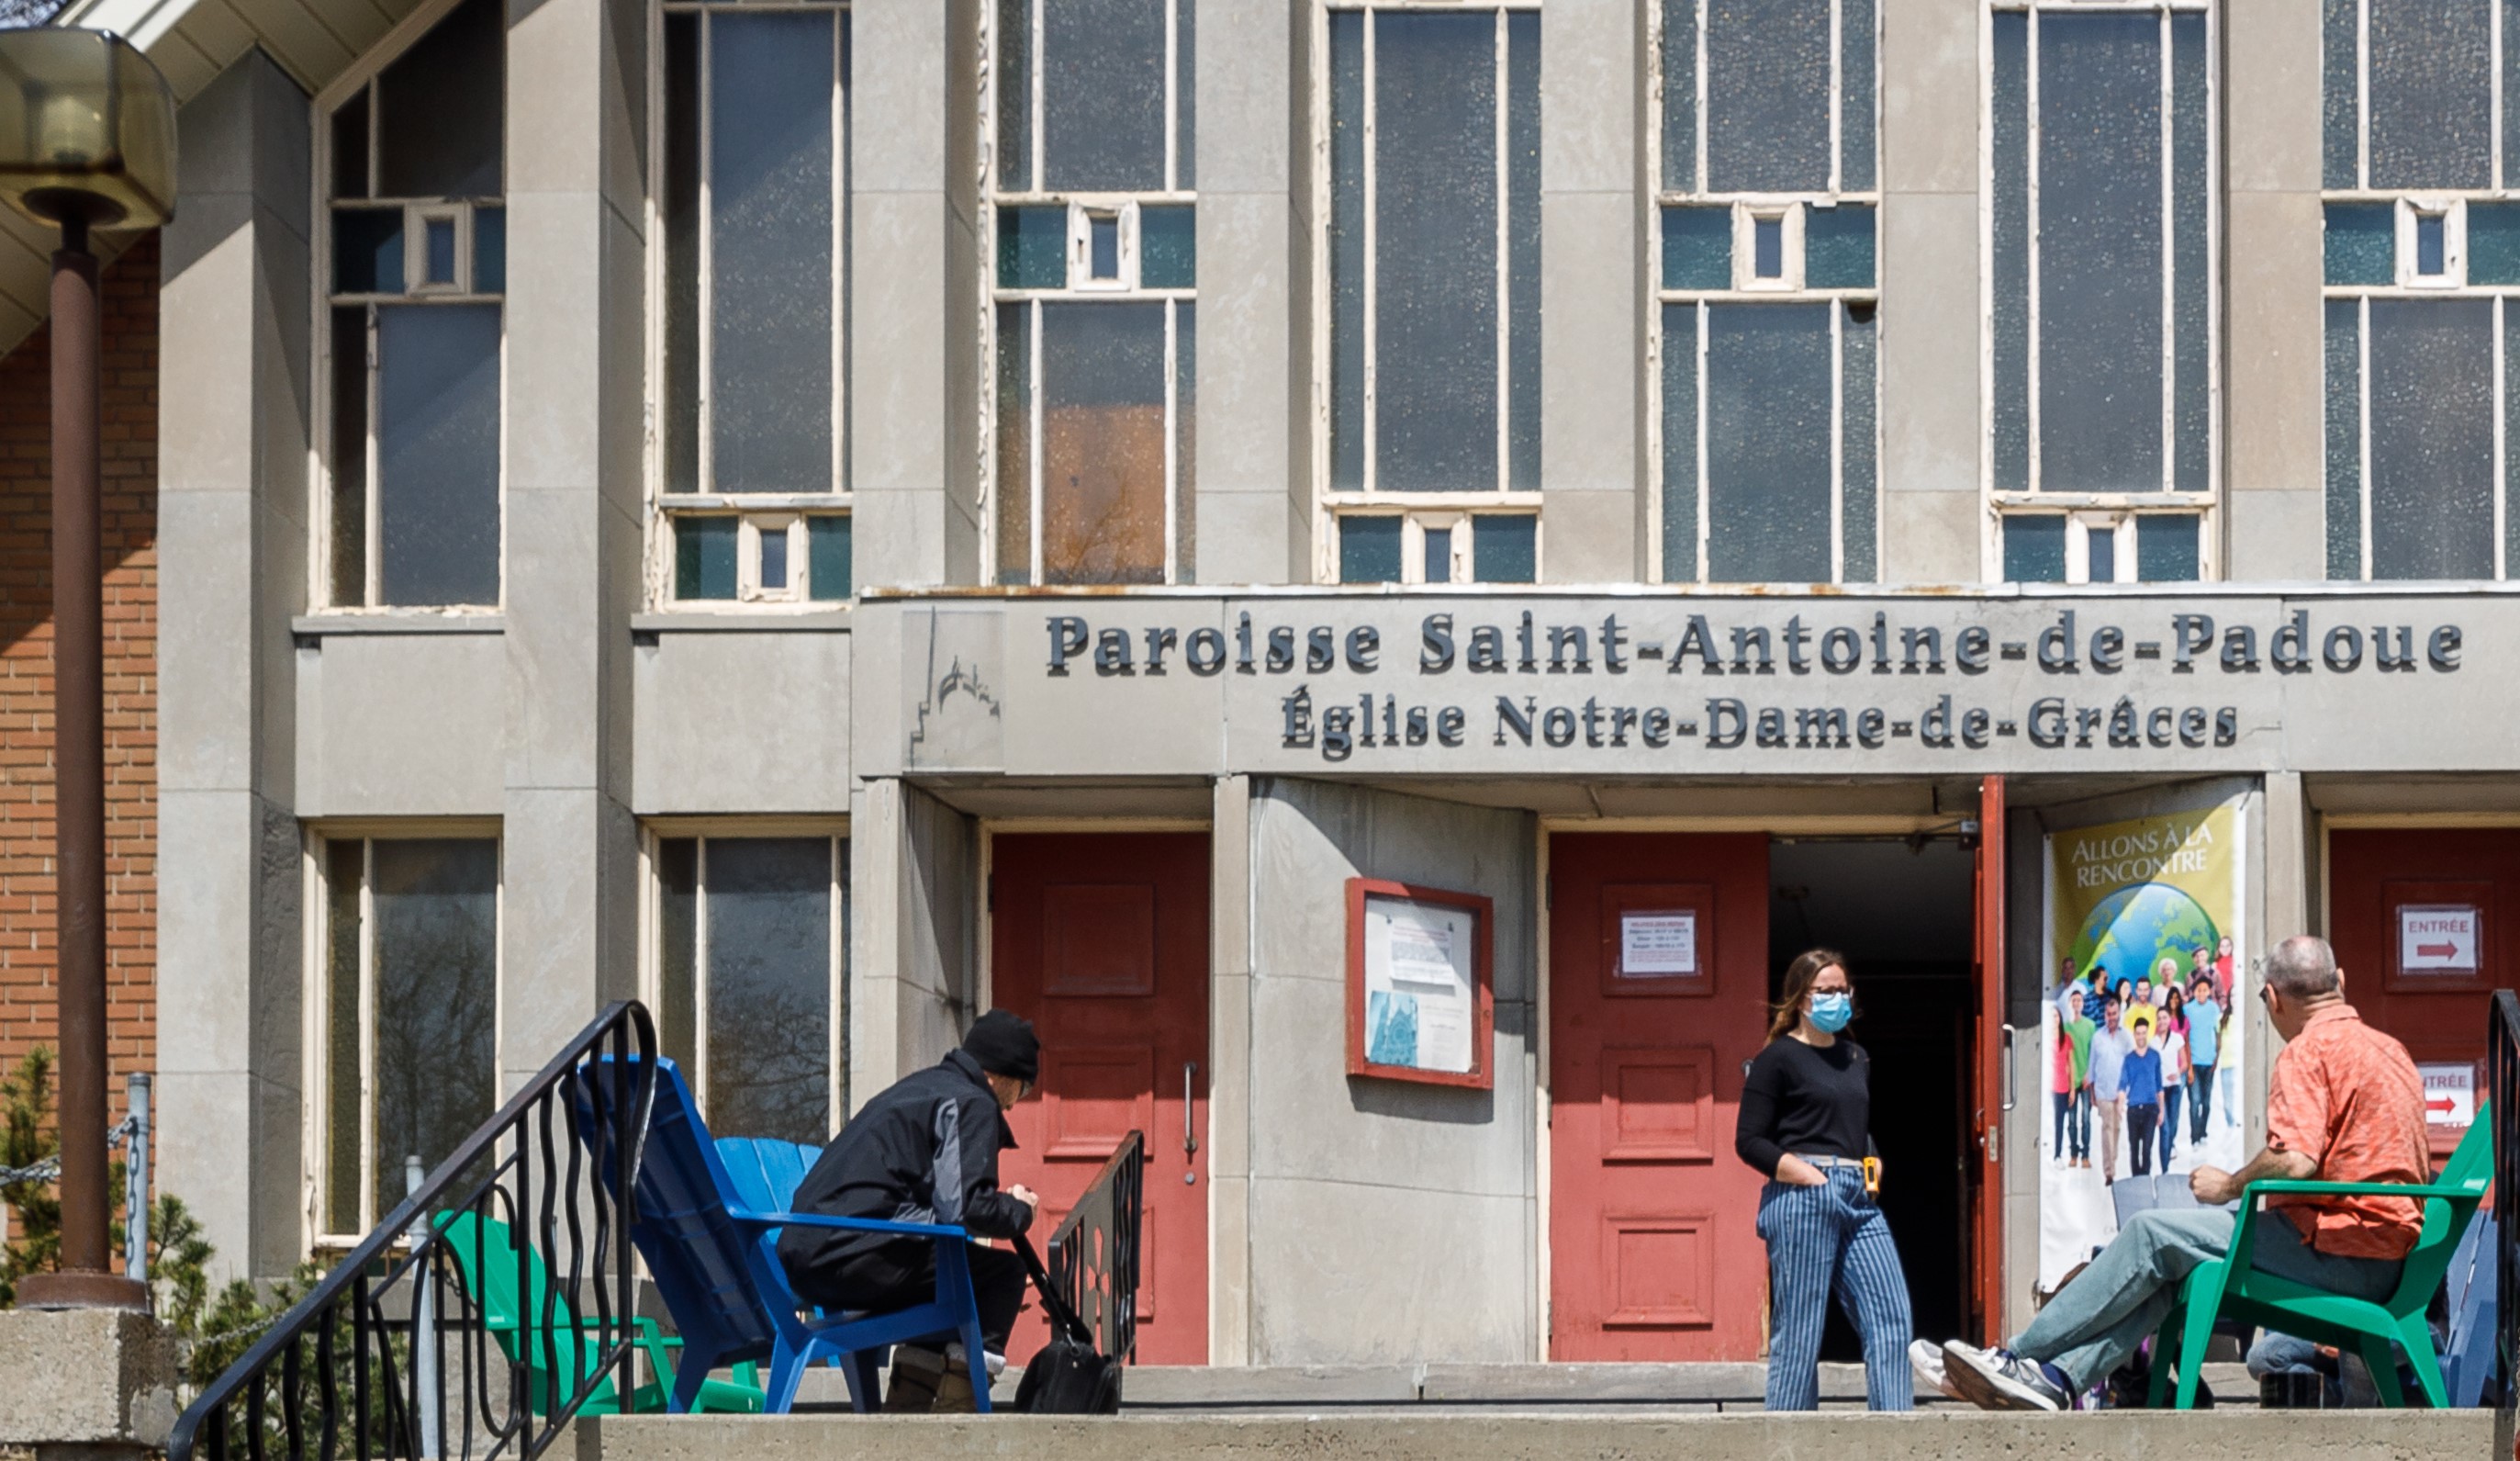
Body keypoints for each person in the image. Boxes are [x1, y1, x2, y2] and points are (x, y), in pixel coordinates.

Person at [1928, 935, 2428, 1412]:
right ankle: (2058, 1380)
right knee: (2174, 1263)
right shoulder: (2393, 1051)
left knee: (2150, 1232)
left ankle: (2017, 1356)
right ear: (2339, 978)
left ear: (2272, 998)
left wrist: (2229, 1185)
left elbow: (2297, 1159)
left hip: (2339, 1251)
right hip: (2388, 1255)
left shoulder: (2307, 1050)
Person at [778, 1010, 1045, 1412]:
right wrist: (1018, 1209)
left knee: (950, 1271)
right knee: (1002, 1274)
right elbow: (965, 1207)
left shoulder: (920, 1088)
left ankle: (908, 1405)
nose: (1016, 1103)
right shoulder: (972, 1101)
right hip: (855, 1254)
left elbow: (940, 1205)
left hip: (810, 1255)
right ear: (1000, 1076)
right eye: (1023, 1090)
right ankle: (960, 1411)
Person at [1735, 950, 1914, 1412]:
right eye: (1826, 991)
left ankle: (1895, 1441)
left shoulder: (1857, 1057)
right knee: (1799, 1331)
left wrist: (1871, 1160)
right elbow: (1750, 1140)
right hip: (1803, 1194)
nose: (1838, 998)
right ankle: (1789, 1445)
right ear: (1800, 999)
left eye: (1843, 990)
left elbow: (1849, 1123)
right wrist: (1809, 1176)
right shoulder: (1777, 1058)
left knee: (1891, 1318)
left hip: (1858, 1195)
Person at [2087, 997, 2134, 1185]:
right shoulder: (2098, 1037)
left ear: (2119, 1014)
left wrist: (2129, 1091)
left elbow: (2131, 1064)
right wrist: (2092, 1093)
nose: (2111, 1017)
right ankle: (2109, 1172)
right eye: (2108, 1014)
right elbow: (2092, 1066)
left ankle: (2112, 1161)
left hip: (2121, 1092)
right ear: (2104, 1015)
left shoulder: (2126, 1037)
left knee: (2116, 1128)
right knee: (2107, 1129)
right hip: (2103, 1091)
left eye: (2114, 1014)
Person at [2052, 989, 2095, 1170]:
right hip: (2070, 1082)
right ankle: (2073, 1153)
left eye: (2079, 1000)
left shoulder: (2090, 1025)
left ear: (2083, 1004)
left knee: (2085, 1118)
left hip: (2085, 1080)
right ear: (2070, 1004)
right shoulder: (2065, 1028)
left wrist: (2089, 1075)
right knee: (2071, 1120)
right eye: (2074, 1000)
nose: (2077, 1003)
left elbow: (2094, 1053)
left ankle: (2085, 1154)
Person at [2122, 1015, 2163, 1177]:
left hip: (2150, 1108)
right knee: (2134, 1149)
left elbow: (2159, 1085)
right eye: (2138, 1033)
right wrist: (2120, 1105)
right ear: (2134, 1034)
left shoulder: (2154, 1056)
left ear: (2148, 1034)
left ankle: (2145, 1179)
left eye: (2143, 1033)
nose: (2141, 1036)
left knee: (2147, 1148)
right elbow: (2123, 1084)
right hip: (2133, 1108)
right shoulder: (2129, 1059)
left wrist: (2162, 1110)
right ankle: (2135, 1180)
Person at [2184, 973, 2221, 1142]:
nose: (2201, 993)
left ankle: (2203, 1132)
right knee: (2195, 1101)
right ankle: (2194, 1136)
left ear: (2209, 992)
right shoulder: (2187, 1009)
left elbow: (2218, 1033)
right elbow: (2185, 1038)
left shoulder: (2214, 1009)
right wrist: (2189, 1066)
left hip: (2209, 1062)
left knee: (2206, 1102)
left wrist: (2216, 1058)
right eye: (2198, 990)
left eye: (2204, 990)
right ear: (2194, 992)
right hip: (2194, 1063)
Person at [2156, 985, 2188, 1164]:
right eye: (2159, 1018)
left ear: (2169, 1020)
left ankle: (2171, 1146)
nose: (2162, 1021)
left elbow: (2183, 1062)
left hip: (2174, 1087)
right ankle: (2164, 1164)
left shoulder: (2177, 1038)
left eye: (2165, 1017)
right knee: (2165, 1126)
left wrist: (2178, 1073)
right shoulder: (2152, 1042)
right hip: (2160, 1089)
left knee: (2174, 1122)